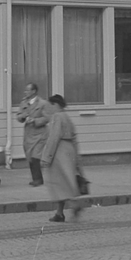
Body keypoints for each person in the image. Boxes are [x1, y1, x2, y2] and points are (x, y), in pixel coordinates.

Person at [40, 95, 84, 223]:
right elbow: (75, 137)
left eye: (50, 105)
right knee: (66, 181)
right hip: (69, 150)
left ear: (56, 105)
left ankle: (74, 205)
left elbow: (53, 138)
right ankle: (59, 213)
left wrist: (46, 157)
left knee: (59, 183)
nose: (49, 108)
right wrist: (77, 158)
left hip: (59, 152)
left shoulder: (57, 117)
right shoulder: (67, 117)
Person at [16, 83, 49, 186]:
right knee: (30, 156)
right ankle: (35, 178)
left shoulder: (43, 103)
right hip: (28, 133)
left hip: (40, 134)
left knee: (36, 156)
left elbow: (47, 118)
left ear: (34, 91)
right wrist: (23, 116)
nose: (25, 92)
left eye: (27, 90)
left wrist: (35, 120)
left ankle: (38, 179)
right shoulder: (24, 103)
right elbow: (18, 116)